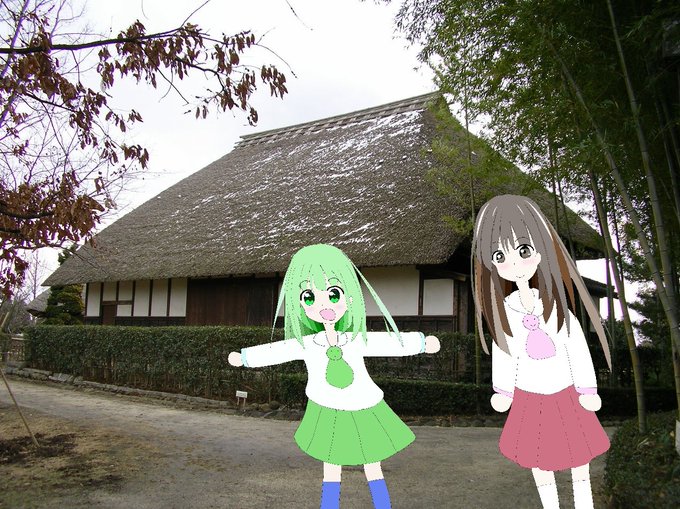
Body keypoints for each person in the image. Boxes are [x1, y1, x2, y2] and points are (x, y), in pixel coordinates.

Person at [228, 243, 440, 509]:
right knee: (331, 466)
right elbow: (280, 350)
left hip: (363, 404)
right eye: (309, 297)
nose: (323, 304)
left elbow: (385, 342)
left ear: (349, 298)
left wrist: (420, 343)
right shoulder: (307, 343)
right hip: (327, 406)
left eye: (333, 293)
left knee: (372, 463)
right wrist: (246, 357)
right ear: (300, 304)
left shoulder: (354, 339)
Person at [472, 195, 611, 509]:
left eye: (523, 251)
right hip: (529, 396)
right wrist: (504, 391)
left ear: (540, 250)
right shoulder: (505, 313)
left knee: (579, 463)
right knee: (540, 464)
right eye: (499, 255)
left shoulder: (555, 307)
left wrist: (587, 388)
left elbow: (576, 348)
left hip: (567, 391)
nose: (514, 264)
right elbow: (504, 353)